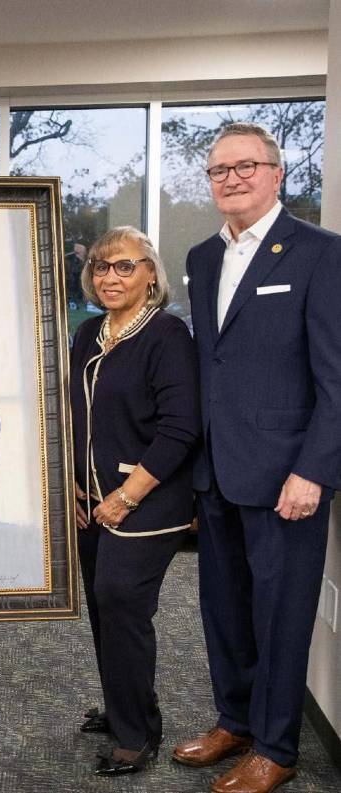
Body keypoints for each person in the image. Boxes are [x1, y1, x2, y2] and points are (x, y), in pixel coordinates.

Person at [173, 123, 341, 793]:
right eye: (219, 170)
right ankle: (234, 721)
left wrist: (315, 469)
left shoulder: (319, 253)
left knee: (282, 614)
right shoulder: (202, 257)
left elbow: (337, 379)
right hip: (217, 472)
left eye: (246, 165)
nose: (232, 178)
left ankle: (276, 746)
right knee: (223, 609)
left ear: (277, 174)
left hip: (287, 477)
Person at [70, 226, 200, 776]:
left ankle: (136, 737)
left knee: (121, 598)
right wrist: (72, 483)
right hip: (91, 500)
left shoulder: (168, 336)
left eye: (125, 266)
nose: (110, 277)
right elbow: (74, 414)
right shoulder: (87, 334)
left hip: (148, 500)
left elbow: (180, 429)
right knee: (105, 608)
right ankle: (129, 706)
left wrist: (124, 496)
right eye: (101, 267)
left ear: (151, 273)